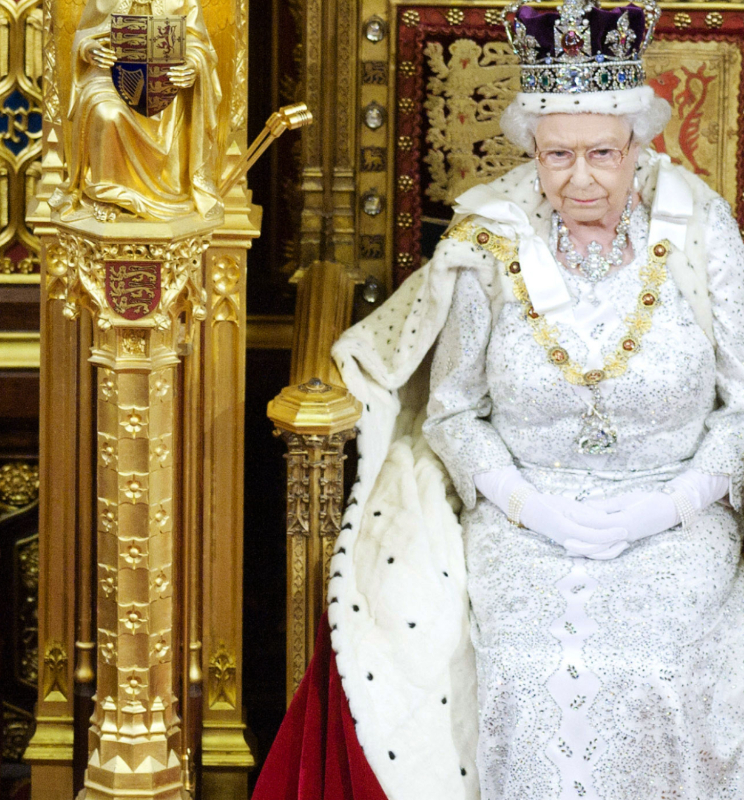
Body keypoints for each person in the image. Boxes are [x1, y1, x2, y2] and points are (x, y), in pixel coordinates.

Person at [255, 2, 744, 799]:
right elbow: (450, 412)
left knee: (658, 665)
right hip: (528, 522)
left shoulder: (698, 231)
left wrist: (675, 505)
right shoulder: (490, 240)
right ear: (531, 150)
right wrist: (529, 507)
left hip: (673, 519)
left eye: (601, 154)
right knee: (524, 670)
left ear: (637, 145)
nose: (579, 179)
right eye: (557, 156)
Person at [55, 0, 222, 220]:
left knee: (172, 108)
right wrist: (91, 51)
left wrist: (191, 64)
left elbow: (199, 43)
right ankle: (107, 193)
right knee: (105, 112)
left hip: (166, 83)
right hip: (110, 77)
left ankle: (169, 189)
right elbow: (84, 37)